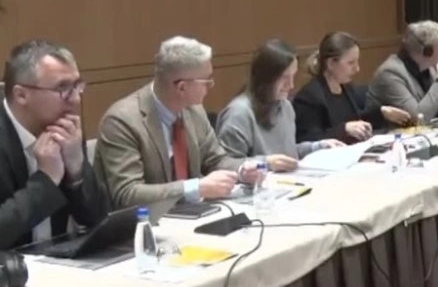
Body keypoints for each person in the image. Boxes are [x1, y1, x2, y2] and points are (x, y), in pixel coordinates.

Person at [95, 37, 265, 208]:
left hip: (192, 216)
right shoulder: (122, 122)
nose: (210, 86)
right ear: (182, 87)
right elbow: (128, 194)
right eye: (206, 81)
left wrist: (242, 171)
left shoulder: (194, 111)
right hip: (144, 221)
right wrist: (195, 188)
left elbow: (215, 160)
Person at [0, 41, 108, 249]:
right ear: (21, 95)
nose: (76, 99)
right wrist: (46, 180)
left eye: (77, 86)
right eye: (63, 88)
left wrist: (76, 172)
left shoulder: (65, 128)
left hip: (58, 260)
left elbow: (99, 219)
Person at [217, 40, 346, 164]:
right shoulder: (238, 114)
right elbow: (227, 165)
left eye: (293, 76)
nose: (291, 85)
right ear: (266, 78)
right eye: (285, 77)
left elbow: (287, 154)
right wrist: (266, 163)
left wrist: (318, 146)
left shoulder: (285, 106)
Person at [293, 32, 411, 145]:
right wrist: (343, 129)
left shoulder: (346, 88)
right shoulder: (310, 97)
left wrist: (382, 113)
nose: (357, 68)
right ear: (331, 63)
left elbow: (357, 121)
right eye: (351, 63)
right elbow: (308, 139)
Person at [368, 21, 438, 120]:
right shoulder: (390, 74)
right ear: (427, 52)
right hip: (392, 131)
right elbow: (417, 118)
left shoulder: (429, 69)